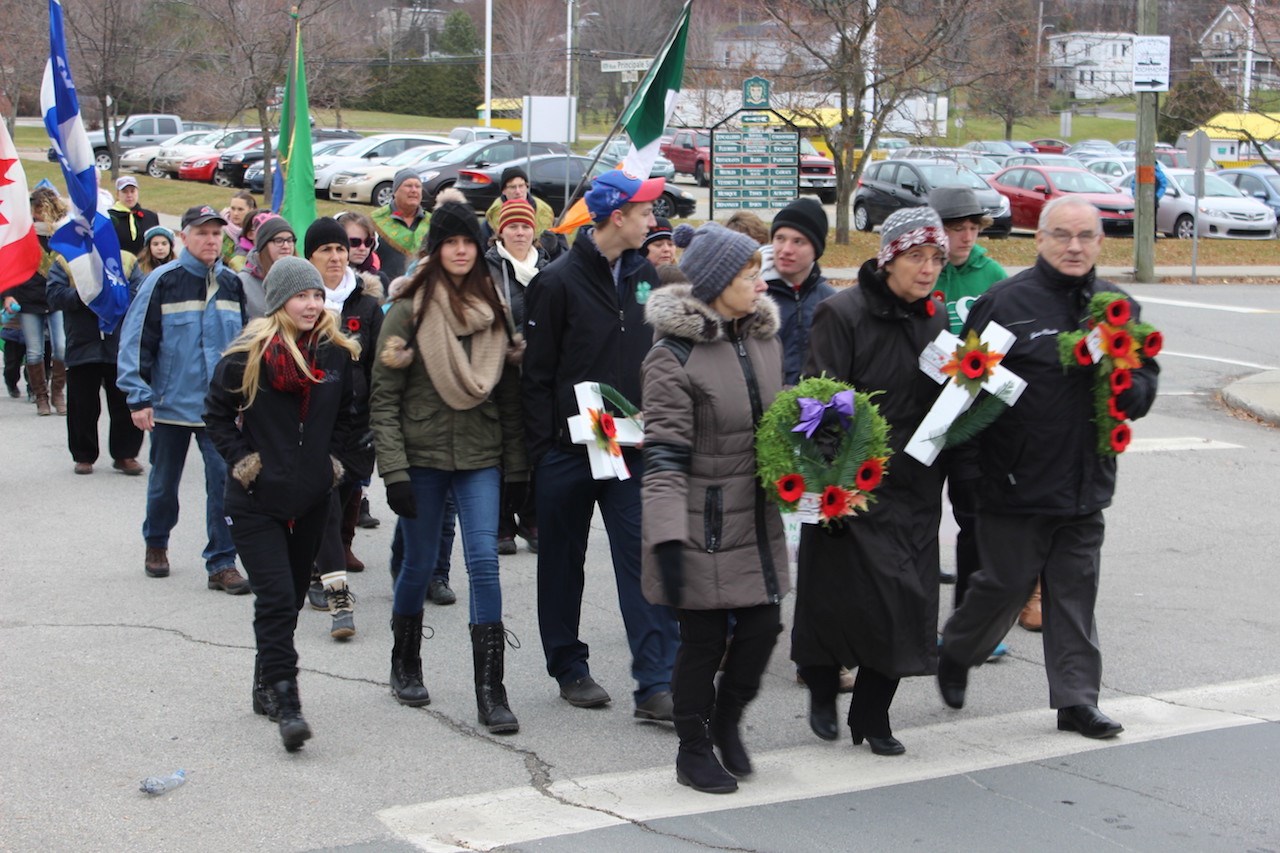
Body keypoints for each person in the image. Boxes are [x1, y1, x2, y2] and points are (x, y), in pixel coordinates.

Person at [937, 196, 1160, 740]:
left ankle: (1078, 700)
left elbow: (1145, 386)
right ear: (1039, 239)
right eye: (1061, 235)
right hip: (1013, 484)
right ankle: (957, 651)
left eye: (1085, 236)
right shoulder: (1006, 304)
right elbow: (963, 394)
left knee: (1074, 592)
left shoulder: (1117, 308)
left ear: (1101, 242)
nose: (1074, 246)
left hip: (1087, 483)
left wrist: (1127, 380)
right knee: (1004, 586)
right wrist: (967, 473)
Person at [521, 169, 681, 719]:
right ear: (617, 217)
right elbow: (536, 378)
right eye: (644, 213)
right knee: (563, 563)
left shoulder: (649, 277)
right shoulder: (557, 281)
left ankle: (656, 682)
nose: (652, 222)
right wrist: (541, 455)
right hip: (567, 450)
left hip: (628, 447)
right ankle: (569, 667)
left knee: (644, 557)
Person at [794, 207, 950, 757]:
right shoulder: (842, 313)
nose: (928, 269)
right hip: (850, 483)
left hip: (913, 485)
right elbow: (819, 402)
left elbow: (942, 398)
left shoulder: (936, 318)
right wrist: (835, 480)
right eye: (916, 257)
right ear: (889, 259)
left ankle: (873, 713)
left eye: (936, 258)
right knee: (834, 599)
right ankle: (819, 687)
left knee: (904, 601)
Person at [370, 197, 527, 733]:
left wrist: (517, 472)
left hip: (480, 456)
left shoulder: (496, 311)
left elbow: (508, 400)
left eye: (468, 242)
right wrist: (393, 473)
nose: (460, 251)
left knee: (483, 562)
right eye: (449, 243)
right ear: (434, 250)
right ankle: (405, 661)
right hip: (422, 457)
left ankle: (491, 690)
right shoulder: (407, 308)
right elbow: (383, 399)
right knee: (417, 565)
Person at [641, 222, 787, 794]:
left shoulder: (765, 338)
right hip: (700, 526)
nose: (760, 283)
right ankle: (692, 749)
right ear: (718, 282)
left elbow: (778, 424)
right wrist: (667, 539)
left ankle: (727, 721)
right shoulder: (672, 356)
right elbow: (663, 459)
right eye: (750, 275)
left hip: (759, 518)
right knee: (702, 645)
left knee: (764, 629)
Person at [204, 256, 360, 752]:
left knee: (291, 598)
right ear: (278, 303)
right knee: (274, 598)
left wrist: (332, 463)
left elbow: (352, 418)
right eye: (301, 296)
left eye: (317, 295)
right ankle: (288, 703)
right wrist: (244, 461)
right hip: (255, 501)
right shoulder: (247, 356)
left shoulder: (337, 355)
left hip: (312, 498)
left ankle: (264, 682)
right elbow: (215, 414)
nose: (313, 304)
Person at [117, 205, 248, 590]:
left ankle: (222, 562)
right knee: (163, 484)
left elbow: (242, 347)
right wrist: (138, 398)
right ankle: (156, 542)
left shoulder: (232, 283)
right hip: (170, 405)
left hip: (218, 410)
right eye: (202, 233)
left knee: (224, 485)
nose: (210, 240)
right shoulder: (161, 280)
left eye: (216, 234)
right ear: (184, 237)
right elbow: (137, 339)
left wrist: (242, 398)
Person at [929, 186, 1016, 633]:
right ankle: (913, 617)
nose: (965, 238)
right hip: (921, 414)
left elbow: (1008, 348)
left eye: (971, 228)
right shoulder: (923, 268)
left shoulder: (992, 274)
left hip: (970, 417)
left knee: (975, 521)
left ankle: (970, 622)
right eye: (955, 228)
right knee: (918, 521)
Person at [303, 217, 384, 640]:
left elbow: (379, 369)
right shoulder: (298, 307)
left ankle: (318, 566)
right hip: (314, 430)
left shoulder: (366, 306)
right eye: (325, 251)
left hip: (356, 425)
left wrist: (377, 420)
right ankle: (333, 592)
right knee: (326, 505)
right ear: (309, 258)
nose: (335, 257)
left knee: (348, 497)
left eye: (340, 249)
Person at [45, 240, 146, 476]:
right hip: (82, 343)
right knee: (83, 404)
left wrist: (114, 296)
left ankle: (125, 454)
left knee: (124, 402)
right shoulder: (67, 261)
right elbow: (54, 295)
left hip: (119, 343)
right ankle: (83, 455)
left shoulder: (126, 260)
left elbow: (139, 293)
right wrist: (85, 296)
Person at [484, 198, 547, 556]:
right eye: (513, 226)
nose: (520, 232)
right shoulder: (490, 269)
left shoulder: (549, 267)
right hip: (502, 372)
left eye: (525, 226)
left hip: (540, 372)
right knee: (505, 447)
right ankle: (502, 523)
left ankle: (533, 518)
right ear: (501, 231)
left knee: (539, 444)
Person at [6, 187, 68, 416]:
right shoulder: (23, 234)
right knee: (34, 351)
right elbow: (11, 265)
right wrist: (8, 294)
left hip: (56, 299)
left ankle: (57, 393)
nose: (39, 212)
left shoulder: (60, 234)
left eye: (43, 207)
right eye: (36, 207)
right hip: (28, 298)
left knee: (61, 347)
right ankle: (40, 396)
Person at [763, 197, 834, 385]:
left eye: (798, 241)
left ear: (816, 249)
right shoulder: (754, 297)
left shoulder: (831, 302)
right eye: (780, 238)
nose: (786, 250)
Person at [372, 169, 429, 281]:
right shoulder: (376, 220)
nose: (414, 190)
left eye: (418, 186)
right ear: (395, 191)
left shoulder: (431, 222)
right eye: (408, 185)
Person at [238, 215, 296, 320]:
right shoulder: (243, 283)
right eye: (278, 240)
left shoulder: (300, 278)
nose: (286, 246)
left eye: (290, 240)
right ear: (263, 245)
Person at [483, 166, 555, 241]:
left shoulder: (545, 211)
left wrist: (553, 247)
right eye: (512, 187)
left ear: (527, 187)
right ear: (503, 191)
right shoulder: (492, 215)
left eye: (521, 186)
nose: (518, 191)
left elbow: (563, 248)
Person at [337, 210, 390, 291]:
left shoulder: (381, 280)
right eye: (354, 242)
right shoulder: (322, 278)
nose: (362, 248)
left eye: (368, 242)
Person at [107, 176, 160, 257]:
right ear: (117, 194)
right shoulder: (109, 218)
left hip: (145, 265)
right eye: (125, 192)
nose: (129, 195)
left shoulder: (151, 216)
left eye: (132, 191)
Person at [220, 191, 258, 265]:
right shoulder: (220, 228)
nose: (235, 213)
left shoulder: (257, 231)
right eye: (233, 208)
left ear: (251, 210)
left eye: (240, 209)